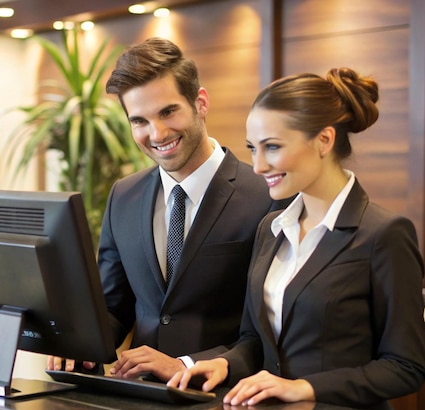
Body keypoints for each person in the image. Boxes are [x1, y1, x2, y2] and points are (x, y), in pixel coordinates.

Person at [168, 67, 425, 410]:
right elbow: (254, 341)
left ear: (324, 140)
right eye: (252, 149)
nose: (258, 166)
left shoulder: (384, 234)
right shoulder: (271, 228)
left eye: (272, 147)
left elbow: (405, 367)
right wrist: (227, 364)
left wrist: (303, 388)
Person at [47, 37, 290, 381]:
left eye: (168, 112)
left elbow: (274, 325)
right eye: (139, 121)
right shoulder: (124, 195)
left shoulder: (268, 196)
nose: (157, 133)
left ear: (200, 103)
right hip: (141, 404)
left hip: (227, 401)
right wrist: (79, 346)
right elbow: (113, 307)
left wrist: (186, 365)